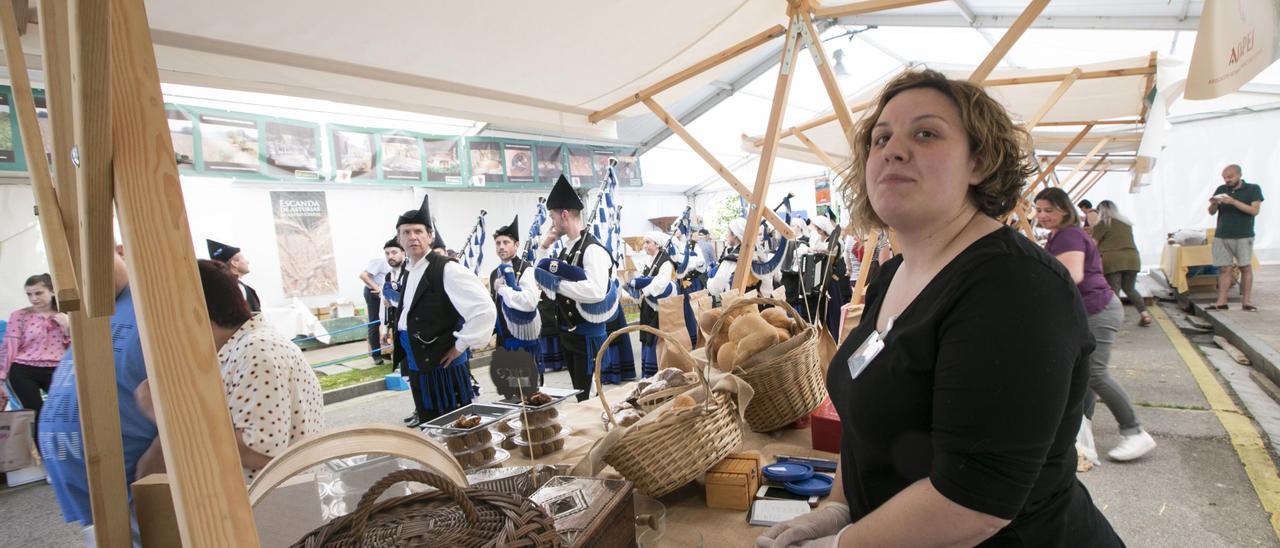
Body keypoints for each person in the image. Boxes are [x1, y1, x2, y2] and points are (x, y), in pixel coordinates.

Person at [760, 69, 1122, 547]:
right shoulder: (895, 273)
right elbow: (866, 418)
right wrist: (839, 507)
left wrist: (841, 545)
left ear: (980, 162)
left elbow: (974, 501)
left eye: (926, 134)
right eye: (880, 137)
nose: (892, 149)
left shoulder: (1015, 286)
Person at [134, 260, 323, 483]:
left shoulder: (256, 352)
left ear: (194, 313)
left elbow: (261, 451)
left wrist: (168, 418)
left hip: (270, 509)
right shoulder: (240, 350)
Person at [39, 244, 156, 541]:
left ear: (118, 249)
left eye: (89, 254)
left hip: (137, 478)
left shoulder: (150, 297)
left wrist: (159, 452)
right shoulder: (94, 309)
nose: (83, 272)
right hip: (95, 486)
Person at [1037, 187, 1156, 463]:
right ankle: (1081, 430)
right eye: (1039, 209)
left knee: (1094, 374)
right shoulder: (1062, 235)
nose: (1042, 215)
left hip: (1097, 310)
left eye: (1049, 210)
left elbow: (1072, 273)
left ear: (1065, 210)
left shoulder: (1068, 235)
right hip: (1090, 310)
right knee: (1084, 372)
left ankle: (1135, 431)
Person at [393, 195, 496, 422]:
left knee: (455, 430)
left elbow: (485, 309)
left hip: (443, 368)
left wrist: (460, 345)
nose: (413, 237)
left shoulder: (447, 269)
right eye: (406, 232)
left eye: (419, 231)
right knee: (431, 426)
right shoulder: (408, 270)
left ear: (430, 236)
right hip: (419, 365)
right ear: (399, 239)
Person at [535, 175, 619, 401]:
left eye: (552, 217)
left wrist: (558, 284)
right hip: (569, 337)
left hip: (587, 339)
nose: (551, 223)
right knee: (580, 397)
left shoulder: (593, 250)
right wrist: (543, 247)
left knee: (591, 399)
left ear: (564, 215)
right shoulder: (566, 250)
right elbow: (541, 278)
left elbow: (595, 291)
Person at [1, 274, 71, 431]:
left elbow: (74, 352)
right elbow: (9, 347)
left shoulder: (67, 316)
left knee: (64, 412)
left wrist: (67, 328)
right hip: (23, 369)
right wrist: (1, 379)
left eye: (38, 293)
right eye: (29, 294)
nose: (33, 298)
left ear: (52, 291)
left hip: (57, 369)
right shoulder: (19, 316)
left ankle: (63, 450)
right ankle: (43, 454)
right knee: (36, 415)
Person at [490, 215, 548, 378]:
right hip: (504, 340)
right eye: (498, 243)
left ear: (516, 245)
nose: (501, 247)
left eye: (506, 242)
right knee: (511, 390)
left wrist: (502, 290)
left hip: (524, 340)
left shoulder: (527, 270)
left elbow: (529, 302)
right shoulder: (495, 273)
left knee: (529, 388)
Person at [1207, 164, 1264, 311]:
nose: (1227, 180)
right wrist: (1214, 203)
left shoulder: (1253, 189)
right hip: (1222, 235)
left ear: (1239, 175)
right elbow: (1211, 212)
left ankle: (1246, 302)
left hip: (1243, 235)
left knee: (1245, 267)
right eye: (1225, 177)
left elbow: (1254, 210)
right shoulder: (1221, 189)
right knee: (1224, 269)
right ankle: (1221, 301)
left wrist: (1232, 201)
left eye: (1230, 177)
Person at [1090, 200, 1153, 327]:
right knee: (1130, 288)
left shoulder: (1102, 223)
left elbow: (1093, 243)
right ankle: (1144, 314)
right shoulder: (1126, 223)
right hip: (1132, 258)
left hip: (1112, 259)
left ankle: (1115, 320)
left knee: (1114, 291)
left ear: (1100, 211)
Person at [627, 231, 676, 377]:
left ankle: (658, 375)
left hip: (659, 308)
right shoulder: (650, 260)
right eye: (645, 242)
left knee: (655, 340)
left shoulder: (665, 262)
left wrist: (644, 288)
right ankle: (647, 376)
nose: (645, 246)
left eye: (648, 242)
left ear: (657, 244)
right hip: (648, 306)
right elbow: (645, 278)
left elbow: (661, 284)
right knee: (647, 337)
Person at [358, 241, 402, 364]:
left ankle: (389, 351)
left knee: (390, 319)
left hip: (388, 292)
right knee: (375, 321)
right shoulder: (380, 261)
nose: (391, 255)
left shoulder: (401, 262)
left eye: (394, 252)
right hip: (373, 292)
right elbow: (363, 275)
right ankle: (376, 355)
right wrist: (377, 288)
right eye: (388, 253)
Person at [207, 239, 261, 312]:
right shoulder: (235, 288)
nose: (247, 262)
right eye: (243, 259)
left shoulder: (223, 287)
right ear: (234, 263)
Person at [707, 217, 749, 297]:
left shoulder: (730, 260)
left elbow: (715, 289)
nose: (727, 235)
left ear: (735, 235)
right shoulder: (756, 254)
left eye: (728, 232)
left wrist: (709, 278)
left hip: (737, 304)